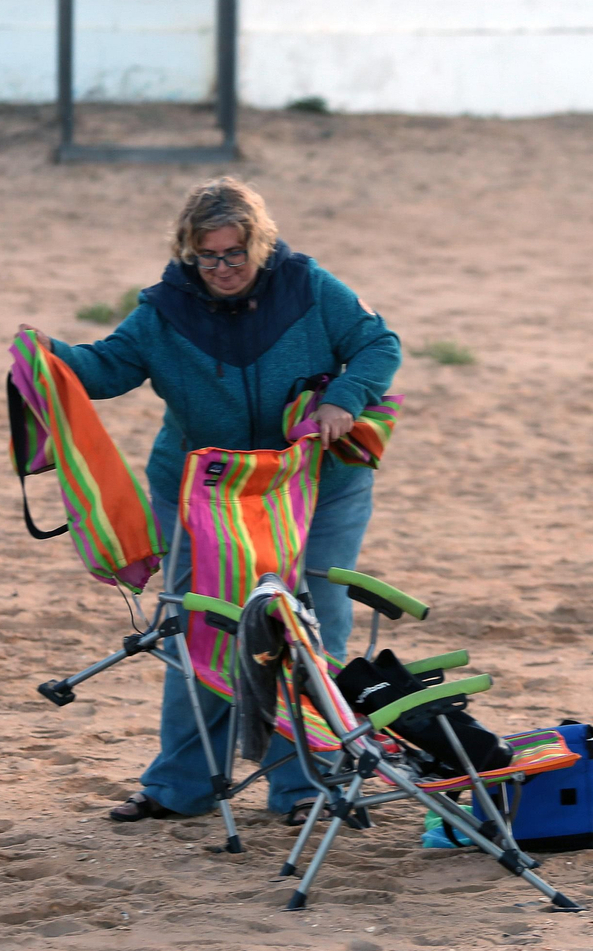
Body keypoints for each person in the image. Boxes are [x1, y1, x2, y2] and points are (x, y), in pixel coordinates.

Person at [23, 176, 402, 824]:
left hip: (315, 484)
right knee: (202, 625)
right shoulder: (165, 310)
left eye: (236, 253)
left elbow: (379, 344)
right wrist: (46, 358)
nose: (223, 268)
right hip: (204, 489)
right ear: (188, 253)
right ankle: (182, 787)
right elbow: (109, 367)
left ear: (261, 244)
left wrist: (344, 398)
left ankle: (304, 785)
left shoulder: (309, 287)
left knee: (310, 626)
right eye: (208, 256)